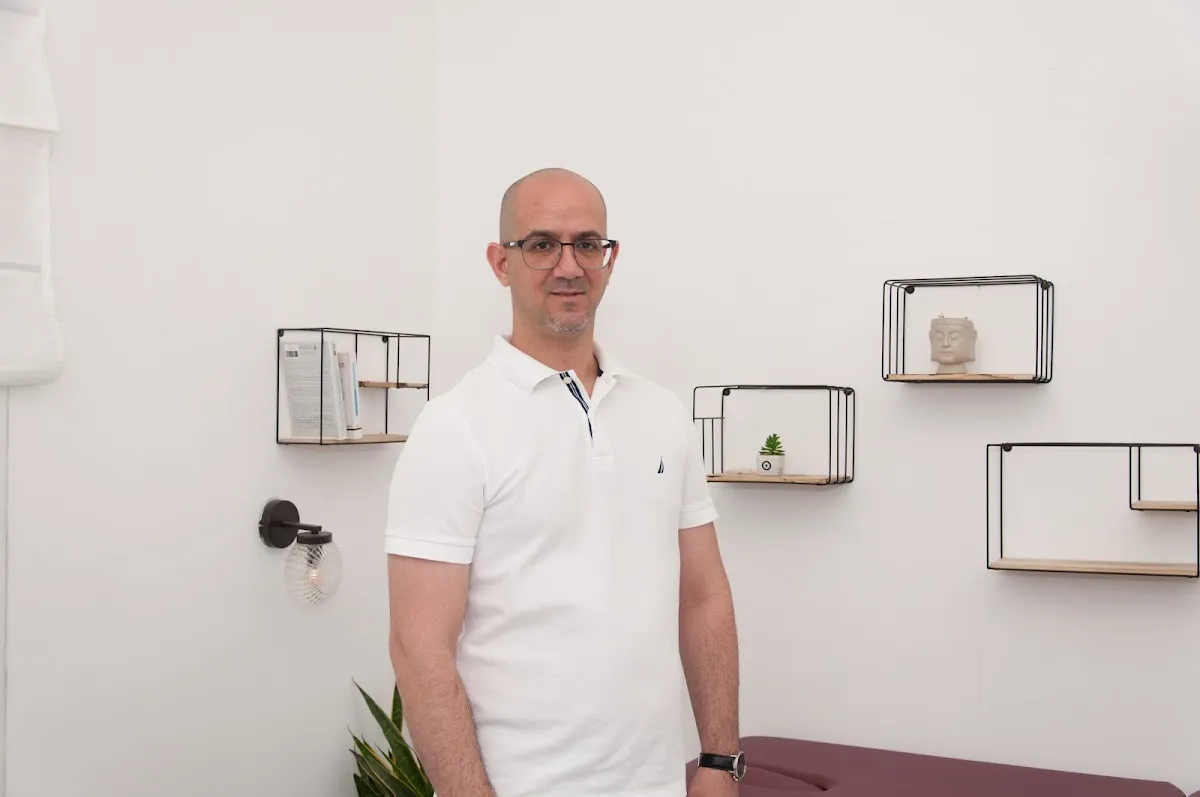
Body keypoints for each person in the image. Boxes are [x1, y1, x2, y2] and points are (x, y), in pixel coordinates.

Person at [384, 167, 743, 797]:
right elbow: (418, 647)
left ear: (610, 258)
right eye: (542, 244)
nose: (569, 266)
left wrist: (718, 760)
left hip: (657, 783)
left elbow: (703, 597)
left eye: (587, 244)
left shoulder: (663, 414)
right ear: (501, 262)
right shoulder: (454, 427)